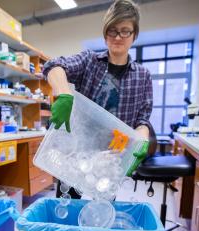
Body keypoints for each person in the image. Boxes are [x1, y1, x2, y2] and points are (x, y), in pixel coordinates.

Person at [43, 0, 155, 199]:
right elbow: (54, 66)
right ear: (105, 34)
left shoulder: (143, 75)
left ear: (134, 35)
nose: (118, 36)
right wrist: (64, 93)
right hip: (77, 156)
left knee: (101, 217)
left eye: (125, 31)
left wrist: (141, 140)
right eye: (112, 30)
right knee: (68, 214)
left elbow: (142, 120)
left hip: (110, 161)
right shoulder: (90, 61)